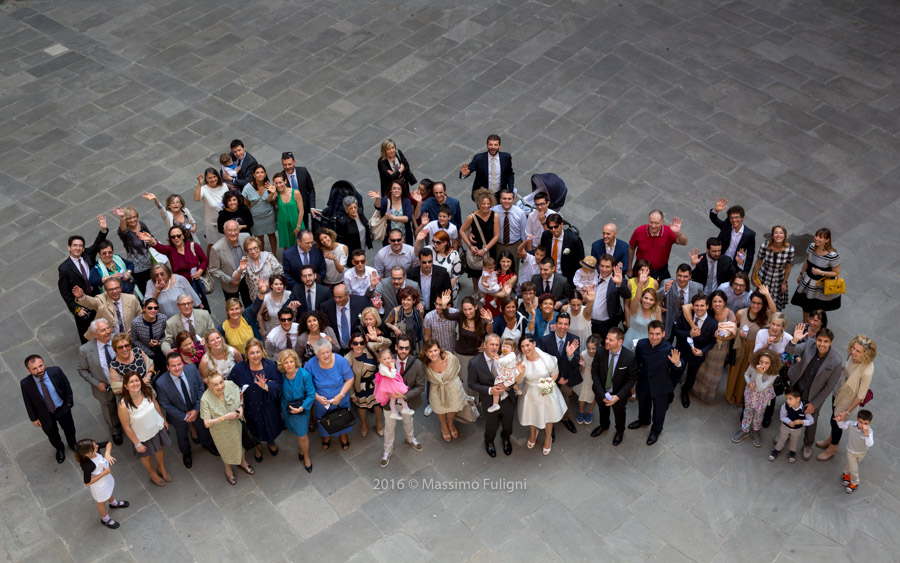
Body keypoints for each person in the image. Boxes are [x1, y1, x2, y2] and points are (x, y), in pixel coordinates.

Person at [785, 325, 844, 460]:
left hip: (814, 395)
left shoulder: (836, 361)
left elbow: (829, 387)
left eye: (825, 341)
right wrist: (794, 340)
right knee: (791, 410)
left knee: (812, 420)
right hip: (797, 387)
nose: (822, 344)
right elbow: (789, 350)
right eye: (820, 340)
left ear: (831, 342)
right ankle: (788, 433)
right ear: (815, 339)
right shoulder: (809, 344)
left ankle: (807, 444)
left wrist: (815, 404)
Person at [816, 335, 876, 462]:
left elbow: (861, 396)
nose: (853, 352)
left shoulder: (867, 370)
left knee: (837, 423)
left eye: (858, 351)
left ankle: (833, 447)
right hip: (839, 390)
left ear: (866, 354)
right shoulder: (852, 356)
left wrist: (847, 411)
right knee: (833, 418)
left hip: (848, 400)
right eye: (853, 348)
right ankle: (831, 439)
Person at [156, 352, 216, 468]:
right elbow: (165, 404)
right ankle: (186, 453)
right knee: (181, 435)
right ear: (168, 367)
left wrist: (196, 410)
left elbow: (200, 388)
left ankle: (207, 444)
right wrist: (184, 416)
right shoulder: (161, 383)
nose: (177, 368)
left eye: (179, 364)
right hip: (178, 415)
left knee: (203, 429)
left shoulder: (192, 369)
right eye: (173, 366)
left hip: (196, 409)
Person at [629, 321, 684, 445]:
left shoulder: (669, 348)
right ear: (647, 333)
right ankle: (643, 420)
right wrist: (635, 376)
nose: (654, 337)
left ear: (663, 334)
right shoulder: (641, 344)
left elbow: (680, 366)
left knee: (659, 411)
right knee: (643, 404)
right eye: (651, 334)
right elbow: (637, 361)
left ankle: (656, 430)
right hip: (643, 381)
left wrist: (677, 363)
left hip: (661, 385)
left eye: (658, 334)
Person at [228, 339, 283, 462]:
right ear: (246, 354)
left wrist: (266, 386)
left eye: (258, 352)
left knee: (270, 425)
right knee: (254, 427)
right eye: (252, 353)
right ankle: (258, 446)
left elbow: (279, 385)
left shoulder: (271, 366)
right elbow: (231, 384)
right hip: (250, 407)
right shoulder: (239, 369)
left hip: (269, 406)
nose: (256, 355)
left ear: (262, 352)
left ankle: (270, 441)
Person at [59, 216, 108, 343]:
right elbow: (65, 293)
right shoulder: (64, 268)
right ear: (69, 247)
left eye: (80, 246)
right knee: (87, 333)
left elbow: (98, 243)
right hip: (81, 303)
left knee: (105, 323)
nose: (78, 248)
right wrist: (76, 309)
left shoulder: (87, 254)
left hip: (96, 296)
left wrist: (103, 229)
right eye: (75, 245)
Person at [201, 371, 255, 485]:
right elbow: (207, 423)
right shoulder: (205, 399)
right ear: (209, 386)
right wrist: (225, 417)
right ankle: (228, 469)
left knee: (240, 443)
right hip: (220, 431)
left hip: (236, 424)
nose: (220, 386)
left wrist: (241, 407)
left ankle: (243, 462)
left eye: (221, 382)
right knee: (225, 450)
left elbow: (241, 395)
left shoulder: (230, 385)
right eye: (215, 384)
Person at [118, 372, 171, 487]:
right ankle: (152, 473)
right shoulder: (124, 405)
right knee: (146, 456)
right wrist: (137, 444)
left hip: (155, 427)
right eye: (131, 382)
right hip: (141, 435)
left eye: (137, 380)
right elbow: (126, 426)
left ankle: (161, 468)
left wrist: (163, 419)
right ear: (126, 386)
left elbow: (156, 404)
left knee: (159, 449)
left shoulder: (147, 390)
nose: (135, 383)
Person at [21, 355, 77, 464]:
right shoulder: (25, 384)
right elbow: (27, 401)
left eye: (41, 366)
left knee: (69, 428)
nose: (39, 370)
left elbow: (66, 385)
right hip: (44, 414)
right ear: (28, 370)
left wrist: (69, 403)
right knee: (52, 433)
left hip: (62, 408)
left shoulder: (55, 371)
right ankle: (59, 448)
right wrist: (34, 418)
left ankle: (72, 443)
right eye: (35, 368)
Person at [379, 335, 425, 467]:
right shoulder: (387, 360)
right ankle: (387, 451)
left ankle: (410, 439)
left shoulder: (417, 364)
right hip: (389, 402)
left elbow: (421, 387)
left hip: (407, 402)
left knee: (408, 422)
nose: (403, 351)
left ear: (410, 348)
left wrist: (405, 396)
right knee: (389, 427)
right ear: (396, 347)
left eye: (406, 348)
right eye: (400, 348)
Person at [724, 288, 775, 406]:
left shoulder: (765, 315)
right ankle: (730, 394)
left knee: (748, 372)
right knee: (735, 371)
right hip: (741, 344)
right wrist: (739, 332)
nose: (756, 305)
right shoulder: (741, 313)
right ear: (750, 301)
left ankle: (740, 397)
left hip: (756, 347)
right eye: (753, 302)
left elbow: (774, 310)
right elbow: (734, 327)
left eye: (759, 303)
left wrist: (767, 294)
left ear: (763, 305)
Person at [140, 226, 210, 310]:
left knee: (201, 305)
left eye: (178, 236)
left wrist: (199, 271)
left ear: (183, 236)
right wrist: (151, 240)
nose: (176, 238)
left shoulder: (193, 246)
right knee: (186, 307)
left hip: (196, 283)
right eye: (173, 237)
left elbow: (204, 260)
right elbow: (159, 247)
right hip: (180, 286)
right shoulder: (170, 250)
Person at [517, 335, 566, 455]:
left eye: (527, 345)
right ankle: (533, 433)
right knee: (531, 414)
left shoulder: (546, 358)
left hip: (545, 389)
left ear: (534, 344)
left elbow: (555, 373)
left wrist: (546, 387)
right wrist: (521, 373)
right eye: (522, 346)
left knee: (549, 416)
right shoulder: (521, 360)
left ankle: (548, 437)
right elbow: (518, 381)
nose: (525, 349)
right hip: (530, 391)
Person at [77, 320, 123, 445]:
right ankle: (115, 431)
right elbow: (82, 369)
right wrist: (97, 383)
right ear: (95, 334)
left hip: (123, 383)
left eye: (108, 328)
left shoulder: (118, 339)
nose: (108, 331)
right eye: (103, 330)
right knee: (109, 409)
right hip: (104, 387)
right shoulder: (85, 350)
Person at [589, 328, 638, 445]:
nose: (606, 341)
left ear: (620, 342)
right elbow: (594, 372)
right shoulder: (600, 352)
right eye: (606, 338)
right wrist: (601, 394)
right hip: (601, 390)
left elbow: (632, 380)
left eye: (610, 340)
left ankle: (620, 431)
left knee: (620, 413)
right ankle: (604, 425)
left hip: (619, 394)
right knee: (602, 409)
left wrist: (618, 396)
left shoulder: (629, 357)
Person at [468, 334, 514, 457]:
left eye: (497, 344)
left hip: (507, 399)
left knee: (508, 423)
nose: (494, 347)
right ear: (484, 345)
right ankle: (489, 442)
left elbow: (513, 375)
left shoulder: (506, 358)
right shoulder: (474, 363)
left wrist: (507, 385)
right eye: (491, 344)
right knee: (491, 425)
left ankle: (506, 439)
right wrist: (490, 390)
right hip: (489, 401)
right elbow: (472, 384)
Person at [687, 289, 737, 402]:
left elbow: (733, 334)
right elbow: (686, 308)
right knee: (702, 369)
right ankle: (696, 389)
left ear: (724, 302)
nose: (717, 304)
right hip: (706, 345)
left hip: (720, 348)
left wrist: (720, 337)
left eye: (720, 301)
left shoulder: (730, 314)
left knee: (713, 372)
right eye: (714, 301)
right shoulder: (708, 311)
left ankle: (706, 394)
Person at [537, 312, 582, 435]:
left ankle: (565, 418)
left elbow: (576, 363)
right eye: (560, 323)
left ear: (569, 325)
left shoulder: (575, 340)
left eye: (566, 324)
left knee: (564, 398)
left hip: (568, 378)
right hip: (550, 378)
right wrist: (556, 380)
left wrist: (570, 355)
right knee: (548, 401)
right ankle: (550, 425)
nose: (562, 327)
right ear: (555, 324)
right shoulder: (545, 340)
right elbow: (542, 364)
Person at [307, 339, 354, 450]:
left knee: (342, 418)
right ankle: (327, 436)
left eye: (328, 351)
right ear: (317, 355)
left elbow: (350, 379)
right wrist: (317, 397)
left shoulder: (341, 361)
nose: (326, 355)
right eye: (322, 353)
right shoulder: (310, 364)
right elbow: (306, 384)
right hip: (321, 402)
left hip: (341, 399)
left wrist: (341, 395)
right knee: (324, 420)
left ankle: (343, 435)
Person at [673, 294, 717, 408]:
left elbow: (712, 342)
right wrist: (689, 334)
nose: (699, 308)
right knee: (675, 371)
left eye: (702, 305)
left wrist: (702, 351)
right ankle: (669, 392)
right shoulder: (686, 316)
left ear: (707, 306)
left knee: (691, 375)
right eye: (696, 305)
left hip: (697, 355)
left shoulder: (713, 324)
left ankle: (685, 392)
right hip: (681, 350)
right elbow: (676, 331)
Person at [75, 439, 129, 529]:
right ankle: (105, 519)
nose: (97, 446)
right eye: (94, 446)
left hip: (106, 479)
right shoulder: (87, 465)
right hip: (99, 486)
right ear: (87, 453)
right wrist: (104, 473)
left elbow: (108, 443)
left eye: (95, 444)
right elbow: (87, 482)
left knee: (109, 491)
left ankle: (113, 503)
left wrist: (107, 453)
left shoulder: (95, 449)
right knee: (101, 502)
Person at [731, 350, 781, 447]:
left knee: (759, 414)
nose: (763, 365)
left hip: (763, 396)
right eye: (761, 361)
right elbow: (746, 374)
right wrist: (749, 382)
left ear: (772, 363)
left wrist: (759, 374)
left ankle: (755, 430)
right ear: (758, 360)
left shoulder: (773, 373)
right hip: (751, 393)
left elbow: (760, 388)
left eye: (767, 363)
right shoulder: (753, 366)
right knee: (747, 411)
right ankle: (744, 430)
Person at [791, 227, 842, 320]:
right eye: (816, 236)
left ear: (827, 240)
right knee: (805, 305)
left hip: (821, 285)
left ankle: (816, 326)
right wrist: (801, 274)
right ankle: (805, 323)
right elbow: (806, 261)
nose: (817, 239)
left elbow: (836, 272)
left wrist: (821, 272)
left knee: (818, 308)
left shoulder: (832, 256)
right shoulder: (811, 247)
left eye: (820, 237)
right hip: (808, 280)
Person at [346, 330, 389, 437]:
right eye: (355, 343)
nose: (359, 345)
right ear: (351, 345)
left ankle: (379, 423)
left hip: (375, 382)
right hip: (360, 386)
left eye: (361, 342)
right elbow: (348, 378)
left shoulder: (369, 347)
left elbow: (388, 343)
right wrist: (351, 394)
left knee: (377, 405)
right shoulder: (347, 359)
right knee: (362, 406)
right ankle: (364, 424)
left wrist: (376, 338)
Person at [421, 340, 466, 442]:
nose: (433, 354)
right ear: (426, 353)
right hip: (436, 389)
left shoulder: (450, 358)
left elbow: (457, 369)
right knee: (439, 407)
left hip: (453, 386)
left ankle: (450, 423)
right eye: (430, 351)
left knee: (453, 408)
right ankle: (443, 425)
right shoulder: (425, 364)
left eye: (435, 350)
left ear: (439, 349)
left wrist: (461, 380)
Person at [278, 349, 315, 472]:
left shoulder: (304, 375)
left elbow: (311, 394)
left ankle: (306, 456)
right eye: (286, 362)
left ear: (295, 362)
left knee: (303, 435)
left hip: (302, 409)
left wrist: (301, 408)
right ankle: (302, 449)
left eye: (291, 361)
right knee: (298, 434)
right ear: (282, 365)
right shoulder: (282, 376)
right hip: (288, 410)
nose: (289, 365)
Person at [72, 278, 141, 341]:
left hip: (129, 337)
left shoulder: (131, 299)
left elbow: (140, 315)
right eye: (110, 289)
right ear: (105, 290)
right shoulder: (101, 299)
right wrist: (81, 296)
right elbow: (92, 302)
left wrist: (134, 328)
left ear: (121, 287)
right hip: (108, 339)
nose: (114, 291)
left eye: (116, 288)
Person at [628, 209, 687, 280]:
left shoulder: (668, 231)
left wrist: (678, 233)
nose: (653, 226)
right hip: (641, 269)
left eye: (656, 223)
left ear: (662, 222)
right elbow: (631, 247)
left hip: (661, 270)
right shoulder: (639, 231)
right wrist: (629, 268)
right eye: (651, 222)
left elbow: (684, 242)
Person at [209, 220, 252, 306]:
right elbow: (213, 269)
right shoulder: (216, 248)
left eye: (235, 230)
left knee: (250, 304)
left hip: (248, 280)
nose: (233, 233)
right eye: (229, 230)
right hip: (230, 284)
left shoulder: (246, 237)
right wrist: (229, 280)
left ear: (239, 230)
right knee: (233, 308)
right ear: (224, 231)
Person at [751, 225, 794, 311]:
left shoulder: (790, 249)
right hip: (765, 275)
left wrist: (784, 282)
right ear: (772, 235)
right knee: (760, 299)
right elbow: (759, 262)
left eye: (781, 233)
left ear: (785, 235)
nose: (778, 235)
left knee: (774, 302)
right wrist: (753, 276)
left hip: (778, 278)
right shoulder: (765, 246)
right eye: (776, 233)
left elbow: (788, 267)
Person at [113, 207, 155, 293]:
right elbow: (123, 230)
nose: (132, 220)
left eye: (134, 217)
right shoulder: (126, 233)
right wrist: (122, 218)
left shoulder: (141, 225)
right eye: (129, 218)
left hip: (150, 261)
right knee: (146, 290)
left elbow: (151, 236)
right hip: (138, 267)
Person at [459, 134, 514, 198]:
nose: (493, 147)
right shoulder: (479, 158)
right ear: (487, 145)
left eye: (495, 145)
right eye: (490, 144)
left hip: (500, 194)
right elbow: (468, 170)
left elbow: (510, 174)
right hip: (483, 194)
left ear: (499, 146)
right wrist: (464, 174)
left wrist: (510, 190)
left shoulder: (506, 157)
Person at [460, 189, 499, 279]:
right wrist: (470, 246)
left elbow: (496, 235)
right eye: (483, 204)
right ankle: (476, 292)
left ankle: (488, 291)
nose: (486, 206)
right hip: (476, 248)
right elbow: (462, 231)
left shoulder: (495, 216)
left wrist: (485, 249)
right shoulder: (471, 217)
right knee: (475, 273)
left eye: (488, 204)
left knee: (490, 272)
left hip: (489, 248)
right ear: (478, 204)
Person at [709, 198, 756, 272]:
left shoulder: (750, 234)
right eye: (731, 218)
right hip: (719, 259)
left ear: (742, 218)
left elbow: (750, 257)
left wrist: (744, 274)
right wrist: (716, 210)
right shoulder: (727, 225)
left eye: (736, 217)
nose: (734, 220)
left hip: (734, 266)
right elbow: (714, 219)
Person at [768, 388, 814, 464]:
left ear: (798, 399)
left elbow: (811, 420)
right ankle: (776, 450)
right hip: (785, 426)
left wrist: (801, 421)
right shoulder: (785, 406)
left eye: (790, 399)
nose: (787, 401)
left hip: (797, 429)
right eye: (786, 398)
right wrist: (789, 422)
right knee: (782, 438)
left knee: (794, 440)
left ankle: (792, 452)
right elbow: (782, 416)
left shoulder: (804, 408)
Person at [588, 255, 630, 339]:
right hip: (588, 322)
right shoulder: (592, 277)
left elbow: (627, 295)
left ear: (613, 267)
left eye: (607, 267)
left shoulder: (617, 279)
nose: (604, 269)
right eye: (602, 266)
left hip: (606, 325)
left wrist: (619, 284)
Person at [322, 284, 369, 355]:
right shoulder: (326, 307)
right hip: (337, 350)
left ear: (348, 295)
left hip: (358, 348)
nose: (337, 300)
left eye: (340, 297)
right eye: (335, 297)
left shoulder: (361, 302)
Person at [834, 409, 874, 493]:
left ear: (870, 423)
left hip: (862, 452)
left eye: (865, 423)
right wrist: (839, 421)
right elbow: (843, 426)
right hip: (851, 451)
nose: (862, 425)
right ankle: (855, 483)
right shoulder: (851, 424)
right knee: (854, 468)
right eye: (861, 422)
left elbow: (869, 444)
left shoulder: (869, 432)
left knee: (852, 464)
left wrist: (866, 433)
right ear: (857, 419)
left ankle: (845, 473)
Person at [240, 164, 278, 251]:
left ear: (265, 174)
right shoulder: (247, 188)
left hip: (269, 216)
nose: (260, 174)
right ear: (253, 175)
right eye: (257, 173)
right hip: (256, 218)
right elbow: (246, 205)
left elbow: (272, 200)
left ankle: (274, 254)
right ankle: (261, 256)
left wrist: (273, 192)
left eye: (262, 172)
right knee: (259, 238)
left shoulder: (269, 186)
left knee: (272, 235)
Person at [539, 213, 585, 284]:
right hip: (549, 274)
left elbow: (580, 260)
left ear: (562, 224)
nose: (553, 230)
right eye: (550, 227)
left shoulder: (574, 240)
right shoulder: (546, 236)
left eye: (556, 226)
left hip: (566, 276)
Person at [280, 151, 316, 236]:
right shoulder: (280, 177)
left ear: (294, 162)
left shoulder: (303, 172)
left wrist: (312, 207)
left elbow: (311, 189)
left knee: (305, 234)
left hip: (304, 209)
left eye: (290, 164)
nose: (287, 167)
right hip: (289, 212)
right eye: (285, 165)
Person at [661, 264, 702, 339]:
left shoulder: (698, 288)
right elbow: (656, 298)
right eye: (679, 275)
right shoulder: (666, 283)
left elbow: (701, 304)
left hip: (686, 323)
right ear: (676, 274)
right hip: (669, 321)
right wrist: (664, 290)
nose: (682, 279)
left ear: (690, 276)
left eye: (685, 276)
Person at [407, 247, 453, 314]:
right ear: (419, 261)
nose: (427, 264)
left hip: (437, 310)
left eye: (430, 261)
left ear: (433, 260)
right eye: (424, 262)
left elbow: (448, 293)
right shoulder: (411, 274)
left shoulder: (442, 273)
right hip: (417, 310)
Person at [193, 168, 230, 252]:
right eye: (210, 178)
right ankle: (210, 263)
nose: (213, 179)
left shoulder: (224, 186)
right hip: (212, 224)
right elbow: (196, 198)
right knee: (213, 245)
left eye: (214, 176)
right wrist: (199, 184)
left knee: (227, 242)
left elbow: (228, 199)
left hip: (225, 220)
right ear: (206, 179)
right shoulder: (204, 189)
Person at [374, 348, 415, 420]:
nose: (387, 360)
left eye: (388, 358)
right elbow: (392, 375)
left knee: (393, 398)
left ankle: (394, 413)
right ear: (380, 360)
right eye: (384, 359)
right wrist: (393, 367)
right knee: (401, 393)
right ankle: (405, 408)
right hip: (389, 384)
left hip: (390, 383)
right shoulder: (382, 368)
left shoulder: (384, 365)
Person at [218, 298, 263, 362]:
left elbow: (256, 305)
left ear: (241, 309)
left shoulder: (247, 316)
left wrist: (262, 293)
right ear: (227, 311)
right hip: (242, 360)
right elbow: (215, 335)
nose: (235, 312)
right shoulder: (223, 327)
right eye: (231, 309)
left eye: (237, 308)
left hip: (258, 356)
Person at [371, 180, 414, 245]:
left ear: (402, 190)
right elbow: (378, 207)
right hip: (389, 235)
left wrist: (393, 217)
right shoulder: (386, 200)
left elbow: (408, 218)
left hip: (404, 234)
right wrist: (377, 199)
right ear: (391, 190)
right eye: (394, 188)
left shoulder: (406, 201)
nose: (396, 190)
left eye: (399, 189)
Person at [384, 287, 425, 355]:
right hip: (401, 349)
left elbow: (421, 328)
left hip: (415, 348)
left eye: (409, 300)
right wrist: (394, 328)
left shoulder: (418, 312)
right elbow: (386, 322)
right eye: (403, 299)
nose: (405, 302)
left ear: (414, 301)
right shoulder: (396, 311)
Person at [241, 236, 283, 302]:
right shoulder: (245, 261)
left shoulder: (269, 257)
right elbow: (237, 279)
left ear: (259, 247)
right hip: (257, 298)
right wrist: (240, 270)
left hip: (274, 295)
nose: (253, 251)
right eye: (250, 249)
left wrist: (269, 285)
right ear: (247, 251)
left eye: (255, 248)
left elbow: (280, 274)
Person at [131, 298, 167, 372]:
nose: (153, 310)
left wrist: (159, 343)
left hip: (161, 351)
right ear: (144, 308)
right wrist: (148, 352)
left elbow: (167, 335)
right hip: (144, 354)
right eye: (150, 308)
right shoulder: (136, 322)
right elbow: (134, 339)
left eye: (156, 308)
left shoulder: (163, 318)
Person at [487, 339, 521, 413]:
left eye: (507, 347)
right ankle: (518, 391)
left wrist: (498, 360)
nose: (504, 348)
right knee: (511, 382)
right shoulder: (503, 354)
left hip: (507, 375)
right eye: (503, 346)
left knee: (497, 386)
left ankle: (495, 404)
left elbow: (505, 361)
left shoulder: (512, 355)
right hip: (506, 374)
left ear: (512, 349)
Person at [273, 171, 305, 250]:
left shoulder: (296, 193)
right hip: (283, 225)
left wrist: (298, 226)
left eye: (280, 182)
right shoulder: (276, 194)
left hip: (296, 223)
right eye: (276, 183)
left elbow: (301, 211)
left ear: (285, 181)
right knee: (286, 247)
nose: (278, 185)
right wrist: (272, 192)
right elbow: (268, 199)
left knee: (301, 245)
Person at [574, 335, 600, 425]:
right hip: (585, 377)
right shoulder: (583, 354)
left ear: (598, 347)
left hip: (595, 379)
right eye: (589, 348)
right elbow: (580, 371)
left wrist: (595, 370)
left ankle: (590, 411)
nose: (591, 351)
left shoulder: (601, 356)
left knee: (594, 396)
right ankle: (581, 411)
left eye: (594, 348)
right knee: (582, 395)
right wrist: (582, 366)